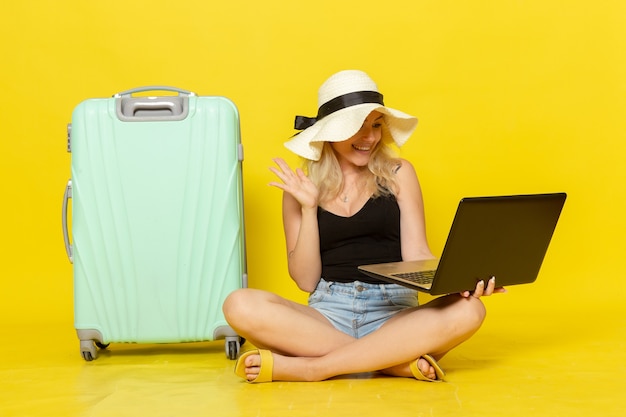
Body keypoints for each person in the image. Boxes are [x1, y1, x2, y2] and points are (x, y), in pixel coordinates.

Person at [222, 69, 503, 383]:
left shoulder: (400, 172)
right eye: (357, 127)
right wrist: (308, 206)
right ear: (329, 132)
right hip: (327, 314)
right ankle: (393, 363)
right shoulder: (300, 188)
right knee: (239, 304)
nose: (369, 138)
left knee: (471, 310)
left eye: (376, 125)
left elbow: (417, 255)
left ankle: (314, 368)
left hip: (395, 311)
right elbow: (305, 280)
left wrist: (460, 279)